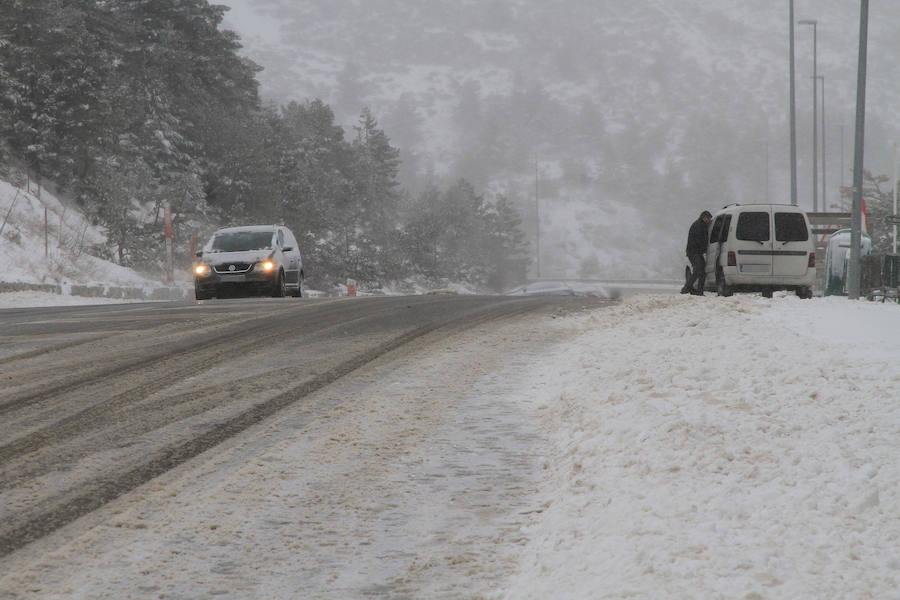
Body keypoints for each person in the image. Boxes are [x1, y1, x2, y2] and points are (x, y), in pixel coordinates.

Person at [681, 210, 712, 295]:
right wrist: (705, 248)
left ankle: (699, 291)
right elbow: (700, 240)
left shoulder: (701, 224)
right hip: (694, 252)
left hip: (696, 252)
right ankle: (686, 288)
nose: (708, 220)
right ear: (704, 217)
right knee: (698, 270)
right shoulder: (699, 226)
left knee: (701, 271)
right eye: (708, 218)